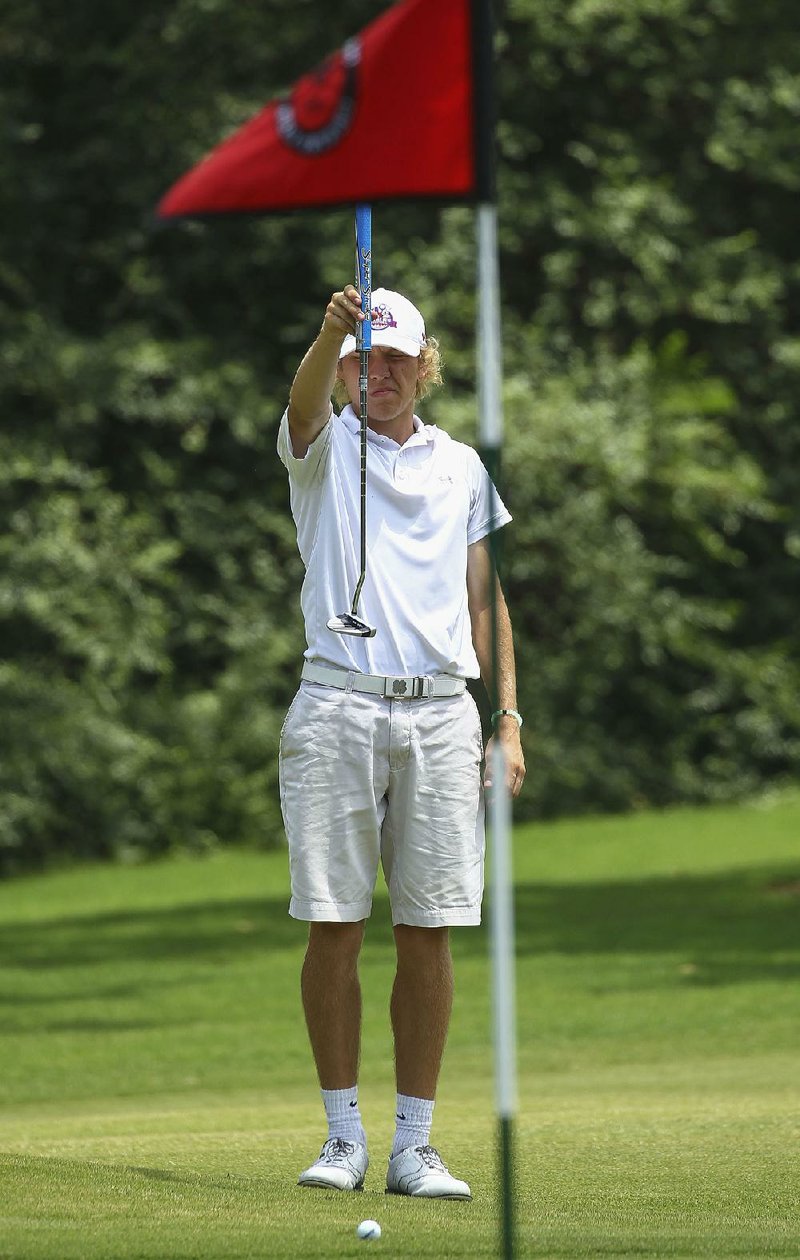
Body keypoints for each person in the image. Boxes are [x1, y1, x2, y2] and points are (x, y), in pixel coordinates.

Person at [277, 283, 525, 1200]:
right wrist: (327, 335)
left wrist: (506, 717)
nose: (374, 375)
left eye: (391, 360)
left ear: (423, 367)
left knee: (430, 931)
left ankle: (413, 1147)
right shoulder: (322, 446)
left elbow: (483, 598)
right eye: (360, 361)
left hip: (440, 714)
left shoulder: (461, 465)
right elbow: (303, 405)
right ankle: (343, 1138)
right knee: (334, 924)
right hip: (337, 707)